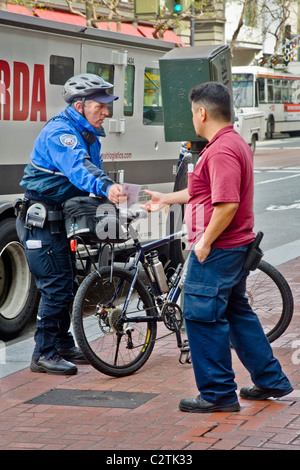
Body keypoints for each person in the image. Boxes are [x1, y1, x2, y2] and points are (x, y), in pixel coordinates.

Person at [142, 82, 293, 412]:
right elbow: (204, 193)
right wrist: (166, 198)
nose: (191, 119)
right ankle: (271, 380)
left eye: (191, 112)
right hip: (232, 248)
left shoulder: (222, 149)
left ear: (201, 112)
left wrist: (204, 242)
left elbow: (226, 204)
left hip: (217, 250)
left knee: (202, 317)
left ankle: (217, 394)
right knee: (237, 314)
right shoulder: (228, 143)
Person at [16, 73, 126, 375]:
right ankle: (43, 354)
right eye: (100, 106)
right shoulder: (61, 134)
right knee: (55, 287)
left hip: (57, 221)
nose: (106, 112)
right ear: (80, 106)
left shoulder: (88, 135)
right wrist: (106, 186)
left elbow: (88, 171)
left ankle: (62, 344)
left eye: (107, 106)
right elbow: (78, 168)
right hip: (41, 222)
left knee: (66, 283)